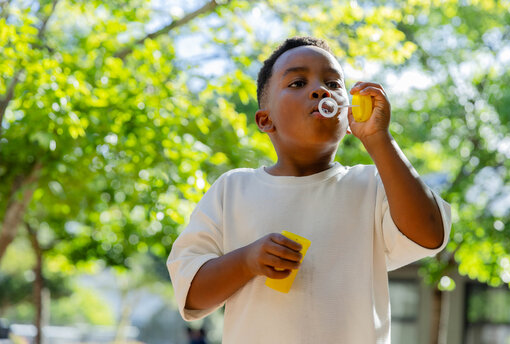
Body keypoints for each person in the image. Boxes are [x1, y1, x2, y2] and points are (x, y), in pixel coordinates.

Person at [167, 36, 452, 343]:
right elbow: (191, 295)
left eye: (333, 83)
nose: (320, 90)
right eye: (298, 83)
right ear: (266, 120)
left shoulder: (373, 185)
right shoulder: (232, 189)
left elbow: (430, 235)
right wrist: (247, 261)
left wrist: (380, 140)